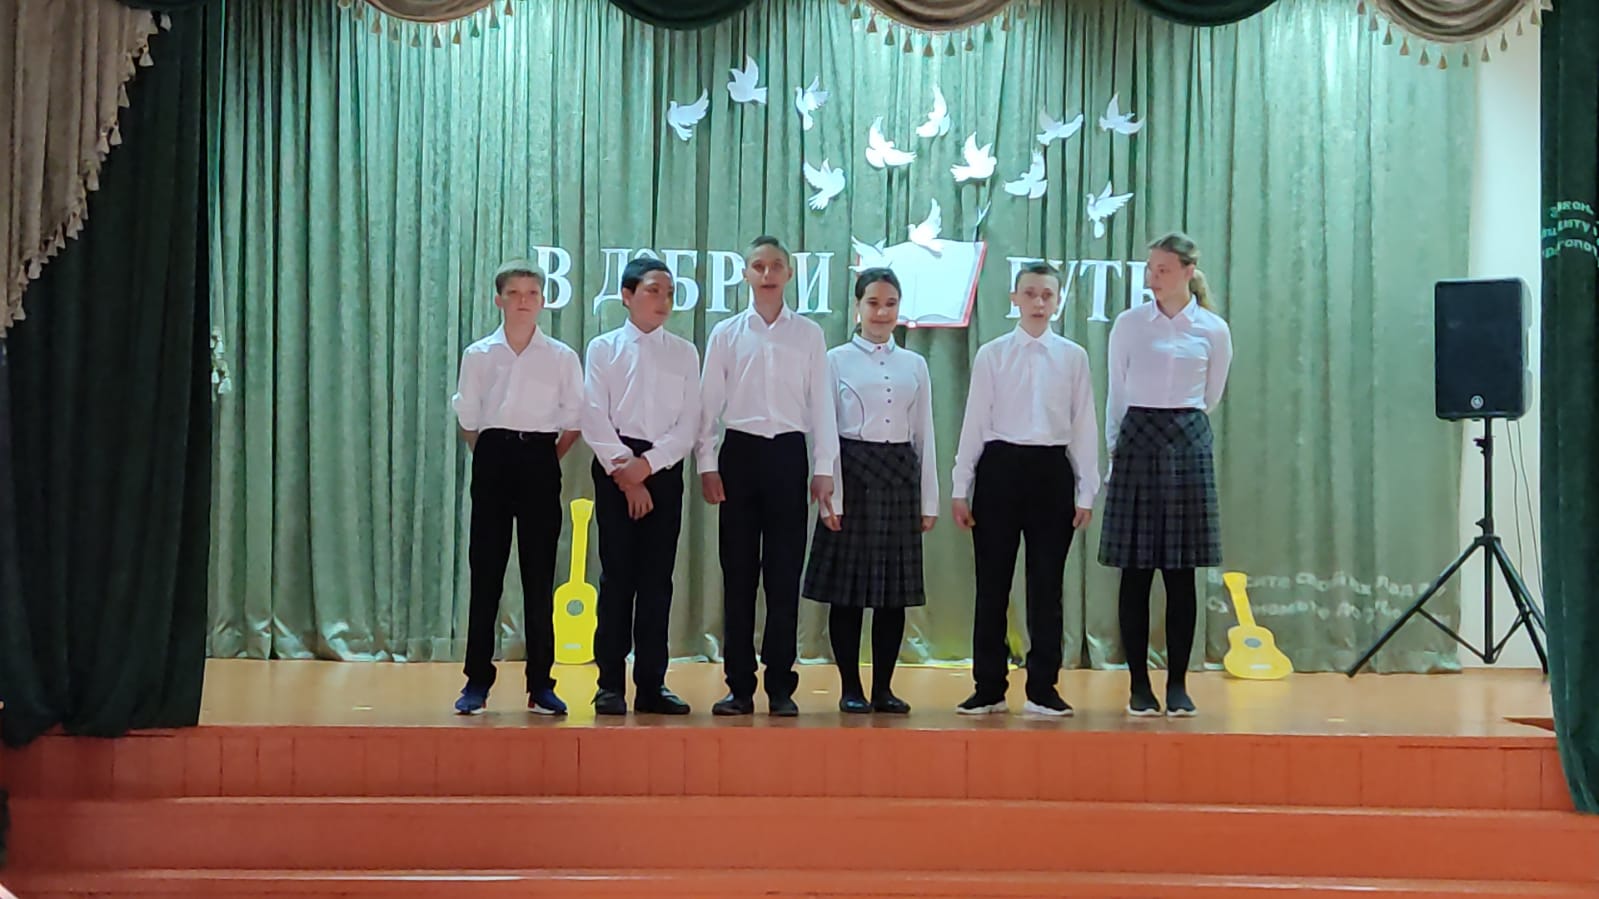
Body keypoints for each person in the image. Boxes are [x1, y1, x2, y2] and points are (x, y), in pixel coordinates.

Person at [697, 235, 840, 716]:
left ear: (790, 274)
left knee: (783, 575)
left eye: (776, 265)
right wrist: (707, 464)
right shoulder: (726, 334)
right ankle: (739, 686)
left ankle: (781, 685)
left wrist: (824, 467)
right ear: (745, 274)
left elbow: (822, 405)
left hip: (788, 456)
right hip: (739, 454)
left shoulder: (809, 335)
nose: (767, 274)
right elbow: (707, 406)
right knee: (738, 575)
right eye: (758, 266)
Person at [950, 261, 1099, 717]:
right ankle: (988, 686)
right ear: (1014, 298)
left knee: (1046, 586)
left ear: (1058, 301)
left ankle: (1043, 687)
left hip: (1051, 471)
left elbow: (1084, 425)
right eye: (1030, 293)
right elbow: (975, 420)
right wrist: (961, 485)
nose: (1038, 302)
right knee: (992, 584)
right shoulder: (992, 355)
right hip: (999, 469)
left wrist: (1086, 491)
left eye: (1047, 295)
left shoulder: (1073, 357)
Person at [1100, 231, 1233, 718]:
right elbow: (1117, 390)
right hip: (1138, 437)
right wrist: (1115, 450)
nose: (1153, 277)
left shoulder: (1213, 329)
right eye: (1150, 269)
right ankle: (1139, 684)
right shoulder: (1130, 324)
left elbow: (1211, 395)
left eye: (1163, 269)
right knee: (1135, 573)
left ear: (1187, 272)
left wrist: (1180, 424)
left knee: (1181, 573)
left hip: (1187, 437)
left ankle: (1178, 684)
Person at [451, 259, 584, 716]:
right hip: (493, 457)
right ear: (499, 300)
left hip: (540, 460)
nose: (523, 301)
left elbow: (573, 420)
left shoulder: (562, 357)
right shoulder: (479, 355)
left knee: (539, 576)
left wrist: (542, 458)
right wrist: (493, 453)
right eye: (514, 293)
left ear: (543, 300)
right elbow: (469, 419)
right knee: (486, 573)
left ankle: (541, 683)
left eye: (531, 293)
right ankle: (476, 680)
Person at [801, 268, 937, 714]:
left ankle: (884, 688)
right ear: (857, 306)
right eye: (873, 303)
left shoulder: (914, 364)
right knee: (848, 593)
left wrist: (928, 499)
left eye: (890, 304)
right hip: (853, 472)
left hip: (899, 475)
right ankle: (850, 688)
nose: (881, 312)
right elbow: (825, 429)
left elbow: (924, 434)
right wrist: (832, 497)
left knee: (892, 595)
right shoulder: (835, 360)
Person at [581, 257, 700, 716]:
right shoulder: (603, 349)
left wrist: (647, 467)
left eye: (669, 293)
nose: (663, 301)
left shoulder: (685, 353)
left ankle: (652, 684)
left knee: (656, 582)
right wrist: (625, 473)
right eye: (653, 291)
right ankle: (609, 684)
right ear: (627, 296)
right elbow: (593, 415)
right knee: (617, 579)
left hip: (663, 469)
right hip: (616, 467)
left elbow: (689, 424)